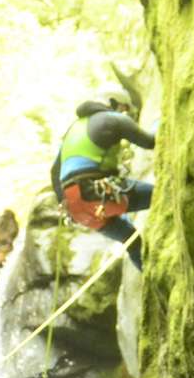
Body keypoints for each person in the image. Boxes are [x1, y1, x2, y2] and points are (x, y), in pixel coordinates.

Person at [51, 89, 156, 268]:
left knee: (131, 240)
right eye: (124, 108)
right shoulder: (113, 119)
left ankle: (153, 285)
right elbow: (150, 141)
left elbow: (54, 171)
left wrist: (65, 200)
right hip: (97, 192)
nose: (126, 113)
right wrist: (160, 123)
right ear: (114, 103)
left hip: (77, 207)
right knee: (160, 196)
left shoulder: (73, 130)